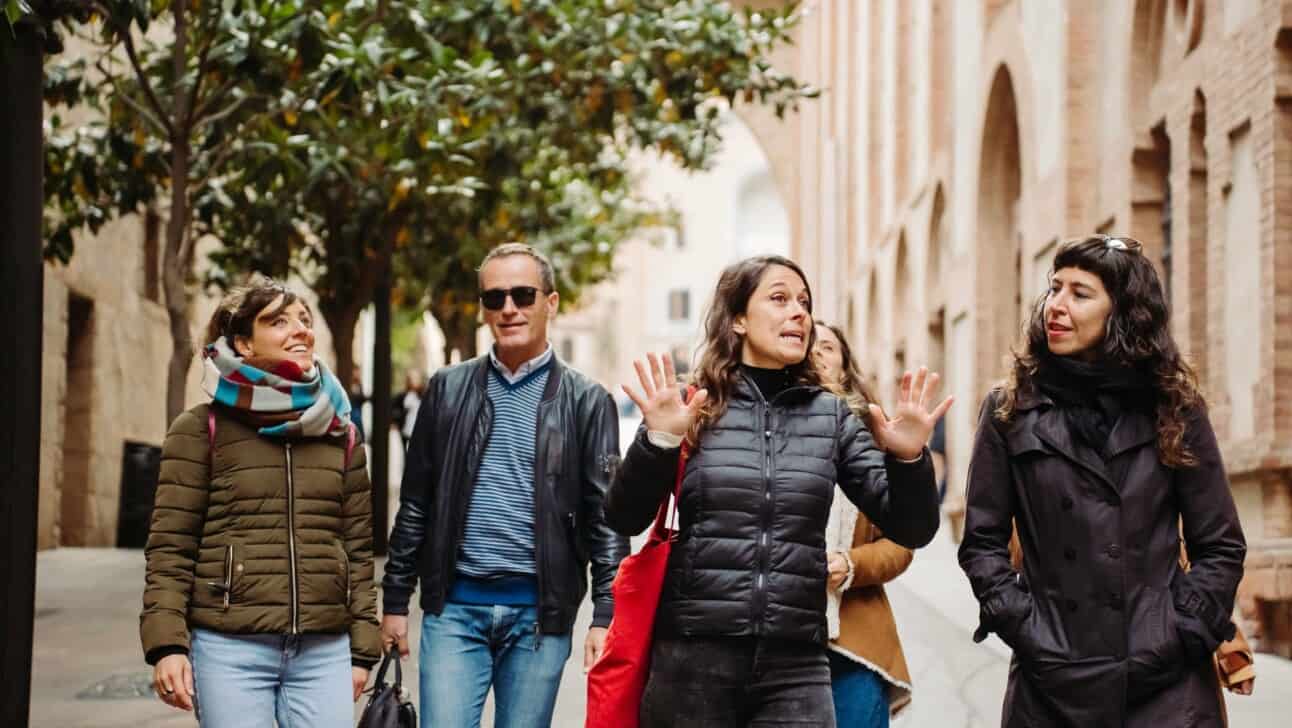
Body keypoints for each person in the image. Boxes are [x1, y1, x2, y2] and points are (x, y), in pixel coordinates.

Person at [605, 255, 949, 728]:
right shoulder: (695, 408)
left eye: (804, 303)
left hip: (796, 662)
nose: (799, 313)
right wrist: (658, 440)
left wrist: (909, 461)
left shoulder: (831, 417)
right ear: (739, 319)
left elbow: (912, 526)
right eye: (780, 299)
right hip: (694, 658)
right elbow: (624, 516)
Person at [958, 235, 1247, 727]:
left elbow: (1219, 545)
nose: (1057, 305)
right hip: (1051, 677)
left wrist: (1180, 632)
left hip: (1165, 685)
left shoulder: (1174, 407)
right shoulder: (1011, 408)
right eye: (1054, 288)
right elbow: (981, 543)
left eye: (1080, 293)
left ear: (1124, 313)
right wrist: (1029, 631)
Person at [380, 243, 629, 728]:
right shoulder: (447, 389)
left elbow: (606, 518)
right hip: (453, 612)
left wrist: (605, 612)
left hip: (540, 618)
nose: (509, 308)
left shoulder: (587, 401)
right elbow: (416, 504)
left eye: (522, 294)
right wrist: (394, 601)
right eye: (495, 298)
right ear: (484, 309)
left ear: (550, 303)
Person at [140, 275, 379, 728]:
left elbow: (359, 551)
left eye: (304, 320)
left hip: (324, 649)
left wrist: (363, 648)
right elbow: (170, 548)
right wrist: (168, 644)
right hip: (230, 647)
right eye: (280, 321)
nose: (301, 330)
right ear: (244, 344)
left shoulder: (340, 432)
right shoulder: (200, 430)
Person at [813, 322, 914, 726]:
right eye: (808, 346)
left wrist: (852, 564)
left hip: (853, 642)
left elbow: (903, 542)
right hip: (775, 644)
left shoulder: (874, 438)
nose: (817, 354)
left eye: (828, 347)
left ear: (844, 365)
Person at [391, 368, 424, 451]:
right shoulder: (402, 395)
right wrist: (395, 421)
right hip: (406, 427)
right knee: (406, 451)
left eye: (416, 378)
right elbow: (395, 409)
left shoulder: (423, 395)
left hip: (419, 427)